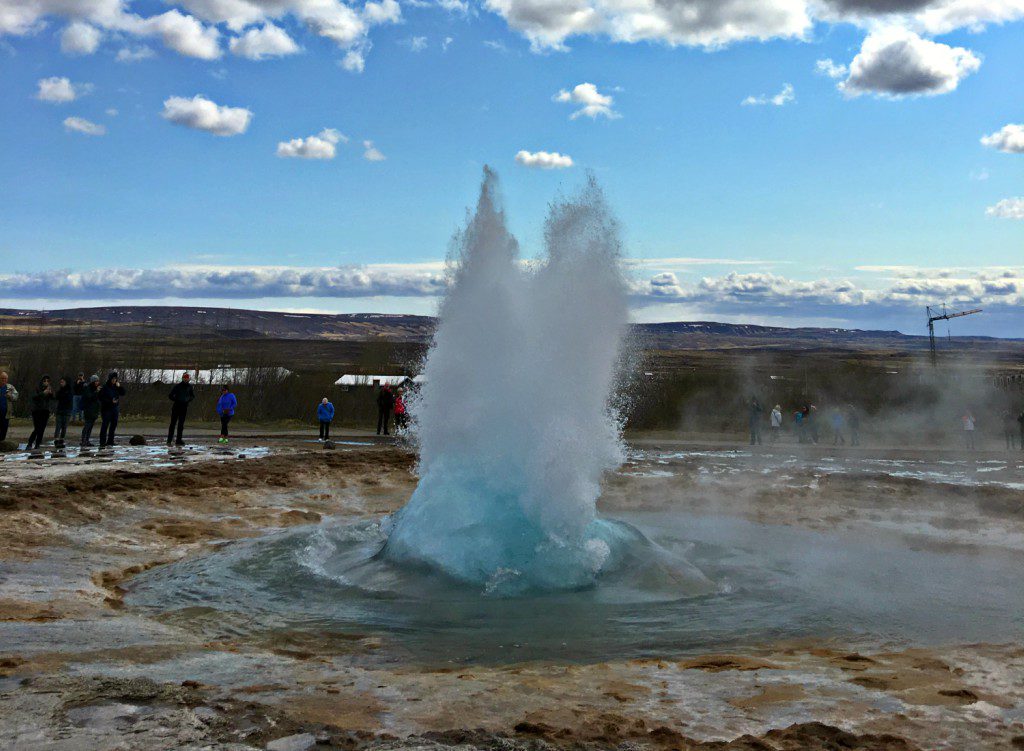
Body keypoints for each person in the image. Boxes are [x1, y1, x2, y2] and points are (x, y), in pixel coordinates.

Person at [26, 375, 54, 451]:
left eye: (48, 381)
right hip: (37, 410)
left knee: (42, 428)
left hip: (45, 411)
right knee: (37, 428)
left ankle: (38, 444)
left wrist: (50, 393)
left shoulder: (49, 388)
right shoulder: (37, 388)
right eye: (44, 381)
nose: (46, 382)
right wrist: (43, 393)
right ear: (42, 381)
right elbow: (34, 397)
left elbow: (53, 398)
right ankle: (30, 443)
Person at [98, 372, 126, 448]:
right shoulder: (105, 387)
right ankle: (102, 441)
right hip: (107, 408)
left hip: (115, 408)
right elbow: (101, 398)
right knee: (105, 425)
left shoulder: (116, 387)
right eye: (113, 379)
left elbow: (123, 393)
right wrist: (110, 401)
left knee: (113, 425)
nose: (114, 380)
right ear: (110, 379)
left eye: (115, 379)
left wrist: (120, 387)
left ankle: (110, 440)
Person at [167, 372, 195, 447]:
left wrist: (188, 399)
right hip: (176, 406)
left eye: (187, 378)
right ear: (182, 378)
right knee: (173, 423)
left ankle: (179, 440)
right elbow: (170, 395)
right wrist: (176, 399)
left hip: (184, 407)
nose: (186, 379)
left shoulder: (190, 387)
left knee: (181, 424)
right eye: (184, 378)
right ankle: (169, 439)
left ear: (189, 379)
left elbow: (192, 396)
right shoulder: (177, 386)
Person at [80, 375, 101, 447]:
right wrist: (96, 392)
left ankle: (87, 440)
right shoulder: (87, 388)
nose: (97, 382)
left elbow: (97, 399)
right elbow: (89, 397)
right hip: (88, 409)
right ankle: (83, 440)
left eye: (98, 381)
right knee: (87, 426)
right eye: (96, 381)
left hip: (94, 410)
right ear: (93, 381)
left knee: (91, 426)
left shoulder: (96, 388)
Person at [53, 376, 73, 444]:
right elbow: (57, 397)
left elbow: (68, 399)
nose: (61, 383)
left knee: (64, 426)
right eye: (60, 382)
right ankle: (56, 439)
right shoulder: (60, 390)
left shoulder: (70, 390)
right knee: (58, 426)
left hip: (67, 410)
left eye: (62, 382)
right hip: (60, 410)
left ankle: (62, 438)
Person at [0, 371, 19, 442]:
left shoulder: (10, 387)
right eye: (2, 378)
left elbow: (16, 396)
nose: (4, 380)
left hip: (6, 412)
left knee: (4, 428)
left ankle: (2, 443)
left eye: (5, 379)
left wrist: (10, 396)